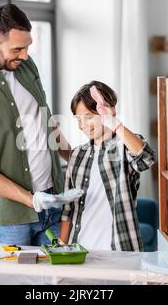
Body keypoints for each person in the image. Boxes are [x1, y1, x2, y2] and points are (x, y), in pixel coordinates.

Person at [0, 4, 83, 246]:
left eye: (28, 47)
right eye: (17, 49)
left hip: (54, 203)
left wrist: (77, 160)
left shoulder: (25, 65)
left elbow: (46, 122)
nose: (25, 55)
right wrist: (31, 200)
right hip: (12, 220)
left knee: (57, 280)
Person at [60, 81, 156, 251]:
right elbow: (69, 208)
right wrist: (62, 244)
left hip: (120, 250)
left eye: (89, 117)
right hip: (80, 250)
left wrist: (114, 123)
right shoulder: (76, 155)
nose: (82, 125)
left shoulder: (123, 147)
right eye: (78, 119)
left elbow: (146, 158)